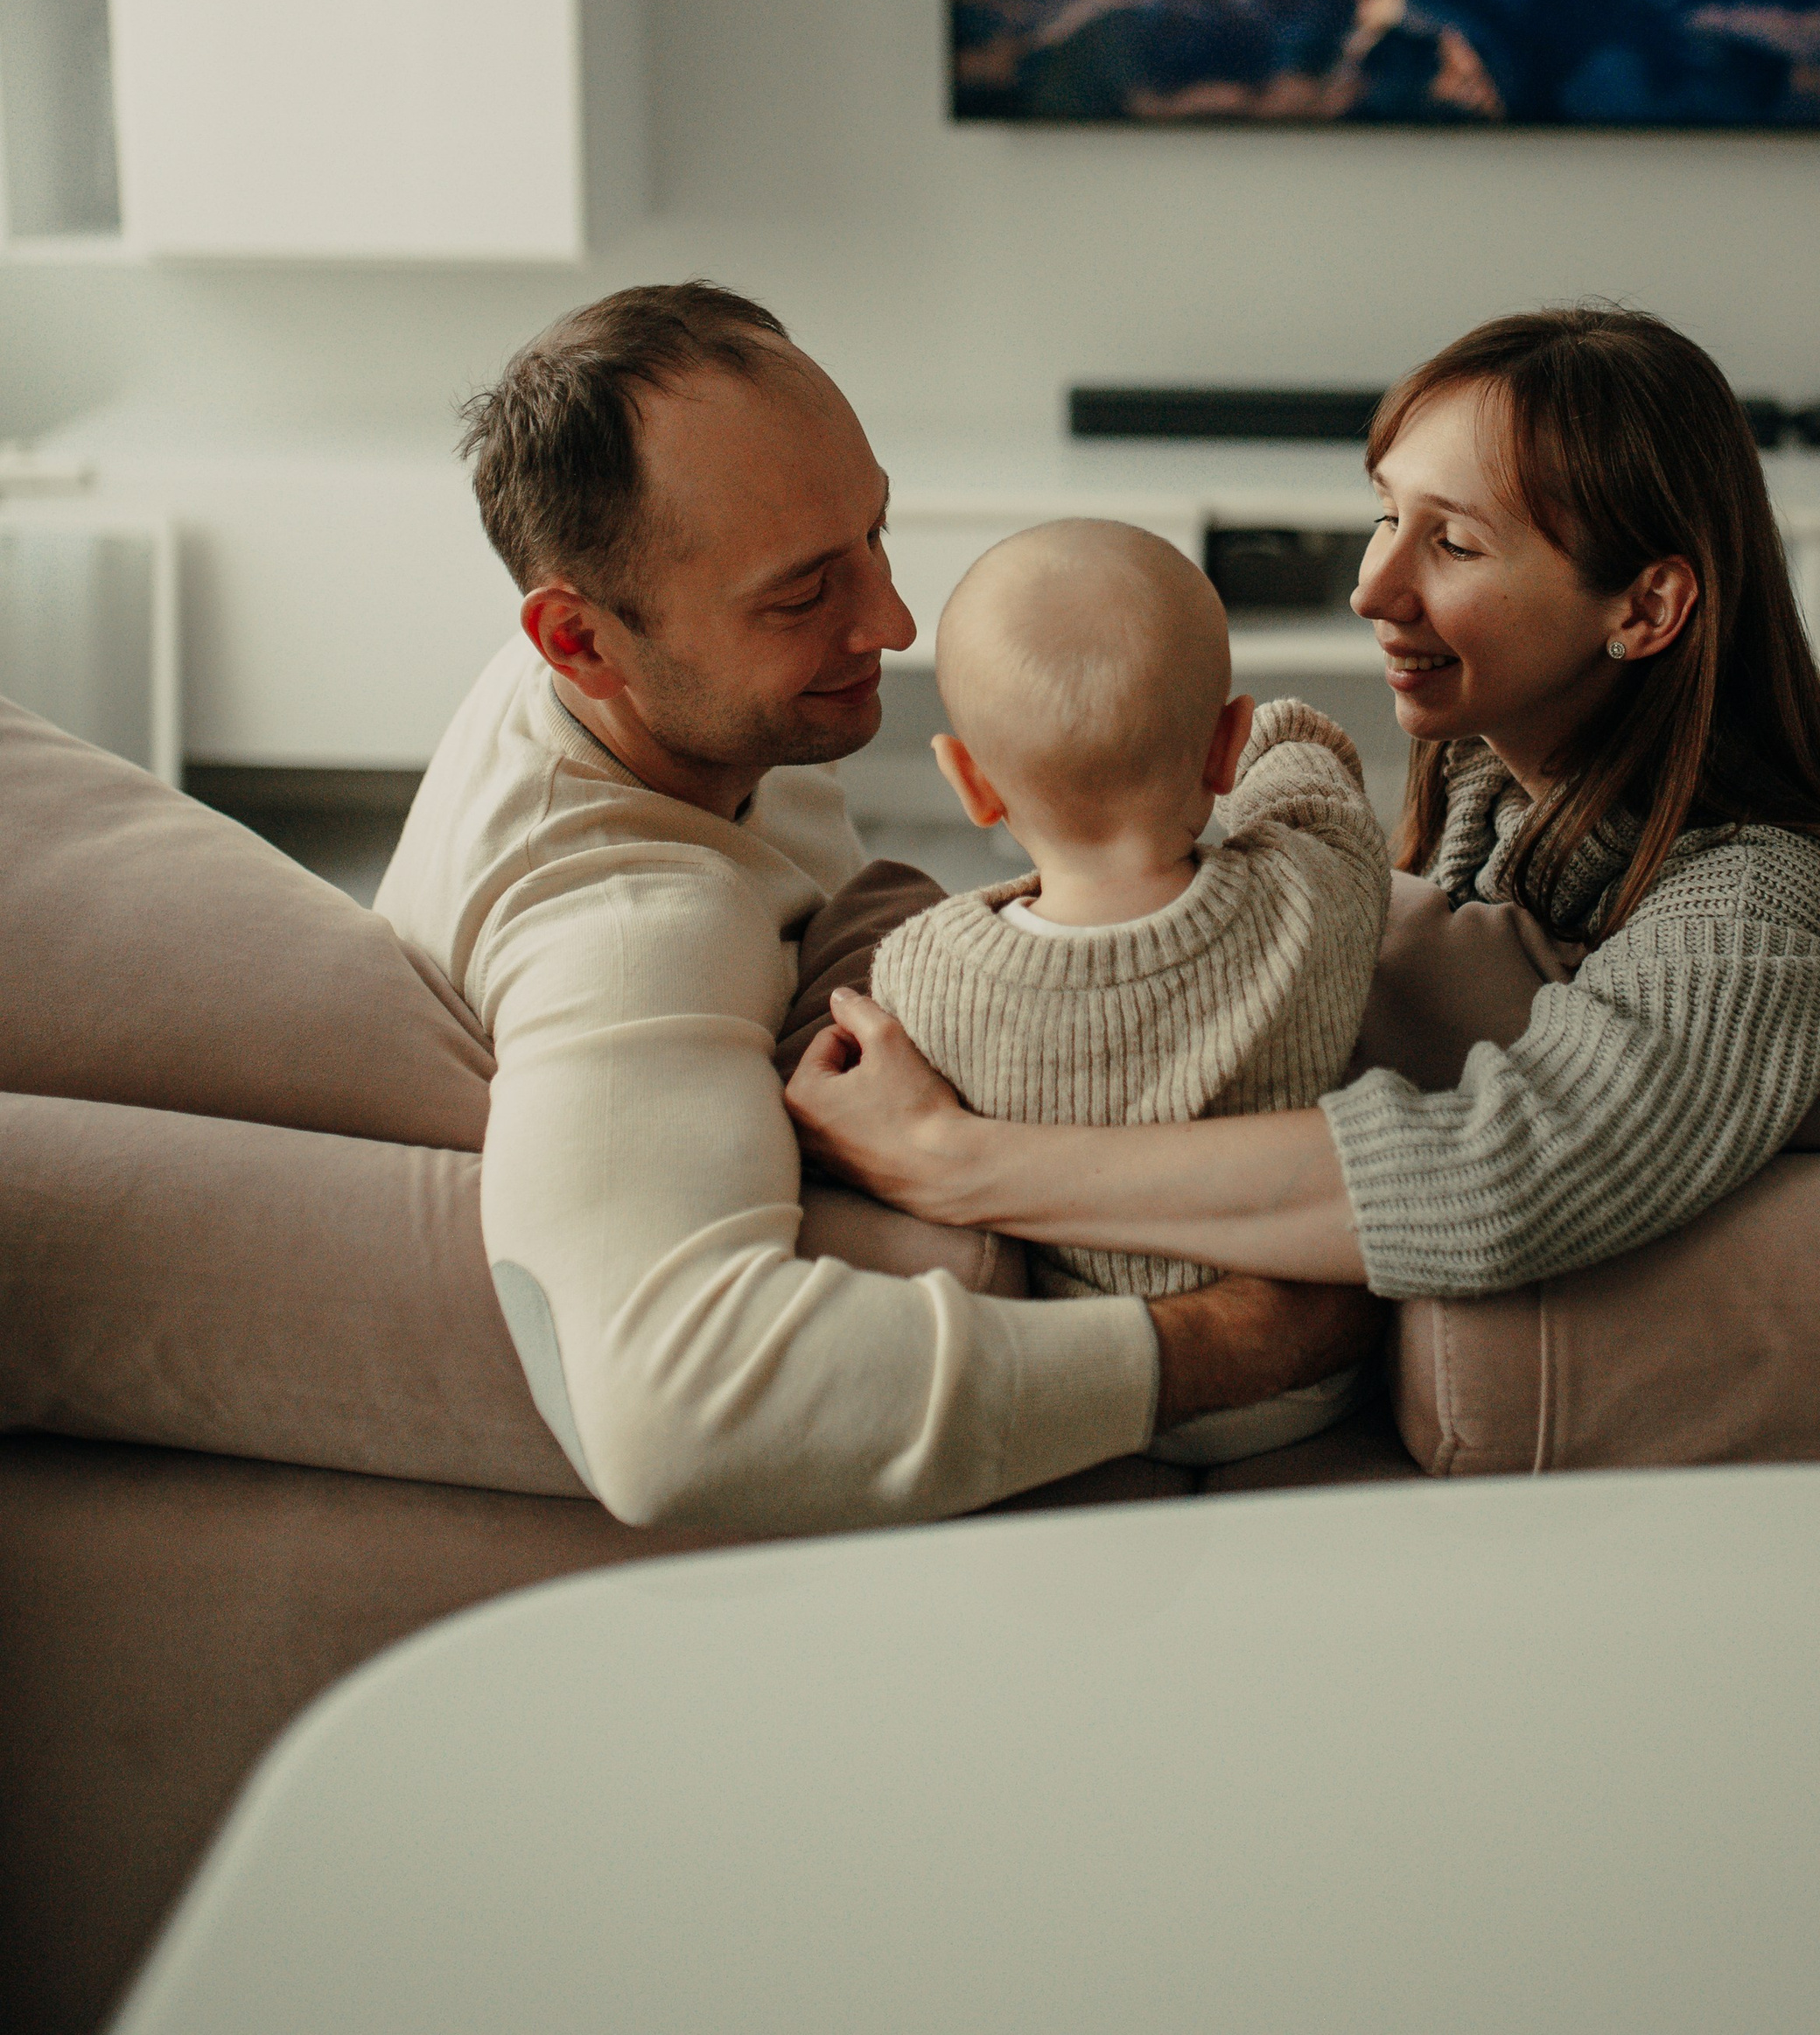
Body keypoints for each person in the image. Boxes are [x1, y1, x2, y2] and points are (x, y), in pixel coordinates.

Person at [375, 283, 1373, 1535]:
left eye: (878, 532)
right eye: (801, 598)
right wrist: (1226, 1340)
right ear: (578, 639)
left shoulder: (649, 681)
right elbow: (674, 1417)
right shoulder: (625, 934)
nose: (894, 625)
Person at [786, 305, 1820, 1308]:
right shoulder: (1494, 798)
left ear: (1645, 605)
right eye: (1388, 515)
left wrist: (959, 1161)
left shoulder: (1761, 903)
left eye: (1454, 541)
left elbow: (1502, 1173)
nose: (1370, 589)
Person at [864, 518, 1389, 1458]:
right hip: (1310, 1379)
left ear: (968, 783)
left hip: (1106, 1382)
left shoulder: (921, 967)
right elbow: (1313, 767)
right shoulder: (1316, 892)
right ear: (1222, 750)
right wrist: (1249, 730)